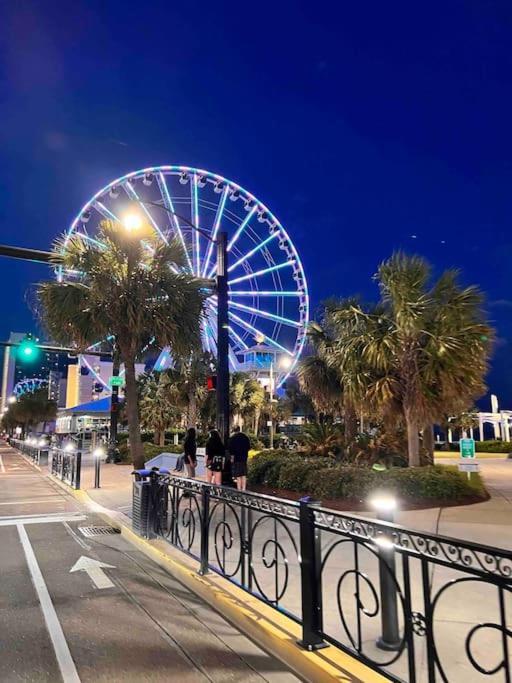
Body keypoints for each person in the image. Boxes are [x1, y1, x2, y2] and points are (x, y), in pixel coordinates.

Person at [228, 426, 250, 491]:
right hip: (244, 458)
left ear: (234, 430)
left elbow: (231, 450)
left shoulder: (233, 438)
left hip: (236, 458)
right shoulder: (245, 437)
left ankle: (239, 489)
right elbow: (248, 447)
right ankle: (244, 489)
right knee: (243, 474)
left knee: (238, 475)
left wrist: (232, 458)